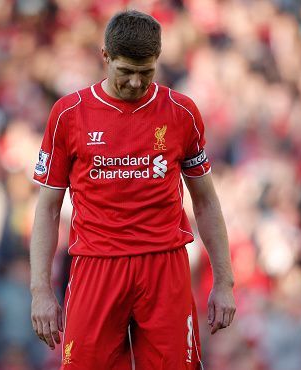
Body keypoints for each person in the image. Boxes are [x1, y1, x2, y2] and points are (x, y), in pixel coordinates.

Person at [29, 9, 235, 370]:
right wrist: (41, 290)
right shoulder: (69, 114)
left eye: (146, 72)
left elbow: (205, 201)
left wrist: (224, 282)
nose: (136, 83)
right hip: (97, 266)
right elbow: (47, 208)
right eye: (126, 72)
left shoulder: (181, 112)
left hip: (164, 265)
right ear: (105, 56)